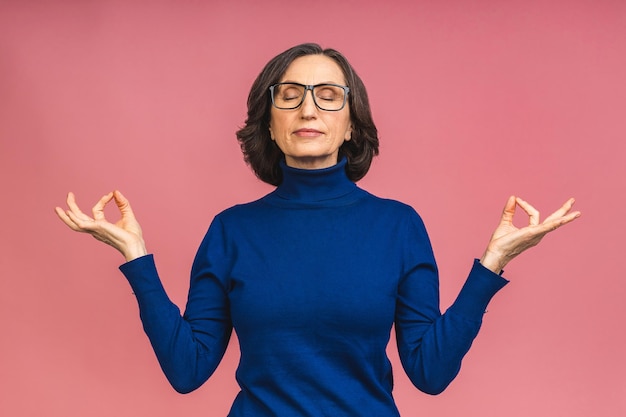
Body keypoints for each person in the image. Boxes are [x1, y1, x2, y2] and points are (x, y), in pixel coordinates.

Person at [55, 43, 580, 416]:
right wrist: (136, 258)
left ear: (351, 122)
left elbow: (430, 373)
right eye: (291, 94)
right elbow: (187, 370)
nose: (308, 107)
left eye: (329, 94)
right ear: (268, 120)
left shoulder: (397, 225)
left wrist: (491, 266)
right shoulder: (232, 231)